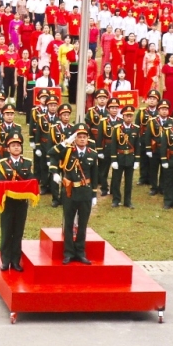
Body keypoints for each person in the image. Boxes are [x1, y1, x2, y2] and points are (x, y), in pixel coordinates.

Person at [53, 126, 98, 265]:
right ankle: (68, 253)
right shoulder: (68, 151)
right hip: (70, 192)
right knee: (68, 223)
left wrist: (94, 194)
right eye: (79, 137)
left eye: (85, 137)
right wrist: (66, 141)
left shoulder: (92, 154)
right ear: (75, 139)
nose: (82, 139)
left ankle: (80, 252)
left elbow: (95, 175)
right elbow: (51, 152)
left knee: (82, 224)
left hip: (85, 192)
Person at [0, 134, 36, 272]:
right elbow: (0, 183)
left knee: (18, 232)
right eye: (13, 146)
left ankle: (15, 261)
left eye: (18, 146)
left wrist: (18, 187)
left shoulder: (27, 163)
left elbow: (30, 181)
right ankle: (5, 261)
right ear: (8, 149)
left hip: (21, 203)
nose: (16, 148)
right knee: (6, 232)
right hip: (8, 203)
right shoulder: (3, 164)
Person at [109, 106, 139, 208]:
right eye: (127, 116)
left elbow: (137, 145)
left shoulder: (136, 129)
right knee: (116, 180)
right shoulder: (117, 129)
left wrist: (137, 160)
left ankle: (127, 201)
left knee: (129, 181)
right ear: (123, 116)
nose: (129, 118)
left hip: (130, 157)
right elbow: (113, 145)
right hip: (119, 157)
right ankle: (116, 200)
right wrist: (113, 159)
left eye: (130, 116)